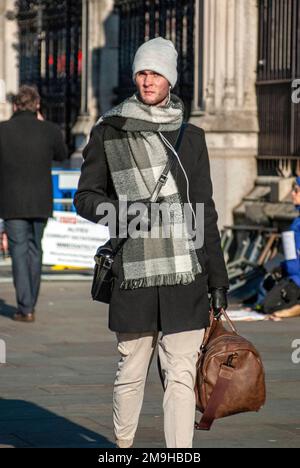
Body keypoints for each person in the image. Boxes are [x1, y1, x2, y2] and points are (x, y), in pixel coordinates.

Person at [74, 37, 229, 448]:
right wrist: (122, 213)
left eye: (156, 73)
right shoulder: (110, 130)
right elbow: (85, 197)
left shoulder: (191, 137)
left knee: (180, 375)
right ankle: (122, 449)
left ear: (170, 80)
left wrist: (219, 281)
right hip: (133, 271)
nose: (148, 80)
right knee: (131, 371)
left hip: (186, 273)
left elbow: (204, 211)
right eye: (142, 72)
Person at [0, 85, 68, 322]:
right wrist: (43, 123)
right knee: (35, 249)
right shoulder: (49, 130)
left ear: (15, 105)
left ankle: (25, 306)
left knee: (18, 251)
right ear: (37, 105)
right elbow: (62, 154)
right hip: (40, 201)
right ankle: (31, 302)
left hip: (11, 201)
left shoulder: (3, 130)